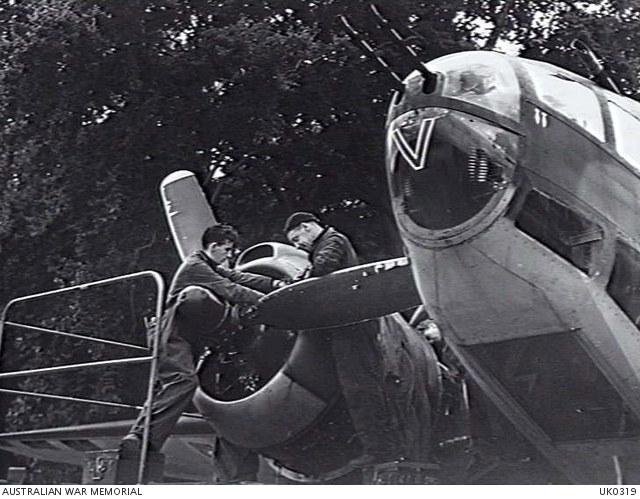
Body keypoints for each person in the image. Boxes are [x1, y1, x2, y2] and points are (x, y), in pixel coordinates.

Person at [120, 224, 286, 481]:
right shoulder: (196, 267)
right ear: (214, 247)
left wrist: (276, 283)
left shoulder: (208, 265)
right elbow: (231, 290)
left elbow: (239, 278)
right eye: (227, 250)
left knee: (188, 387)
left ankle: (141, 438)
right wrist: (272, 305)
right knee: (182, 382)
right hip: (170, 333)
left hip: (189, 342)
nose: (230, 256)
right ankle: (141, 441)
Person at [283, 212, 401, 467]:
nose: (297, 245)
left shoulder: (332, 241)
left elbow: (322, 269)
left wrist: (301, 280)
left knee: (359, 385)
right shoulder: (331, 242)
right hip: (350, 324)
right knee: (359, 383)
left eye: (297, 238)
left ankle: (380, 449)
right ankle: (380, 445)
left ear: (307, 227)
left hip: (351, 326)